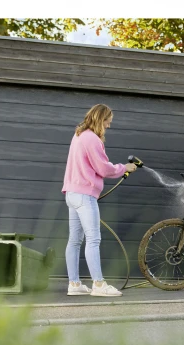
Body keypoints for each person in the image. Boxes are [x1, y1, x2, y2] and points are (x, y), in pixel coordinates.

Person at [61, 104, 137, 296]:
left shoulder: (78, 135)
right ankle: (99, 285)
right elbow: (103, 168)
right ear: (99, 119)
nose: (108, 126)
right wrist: (124, 168)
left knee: (74, 240)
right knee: (93, 239)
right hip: (85, 196)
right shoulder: (92, 139)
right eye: (107, 122)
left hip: (72, 194)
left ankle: (74, 284)